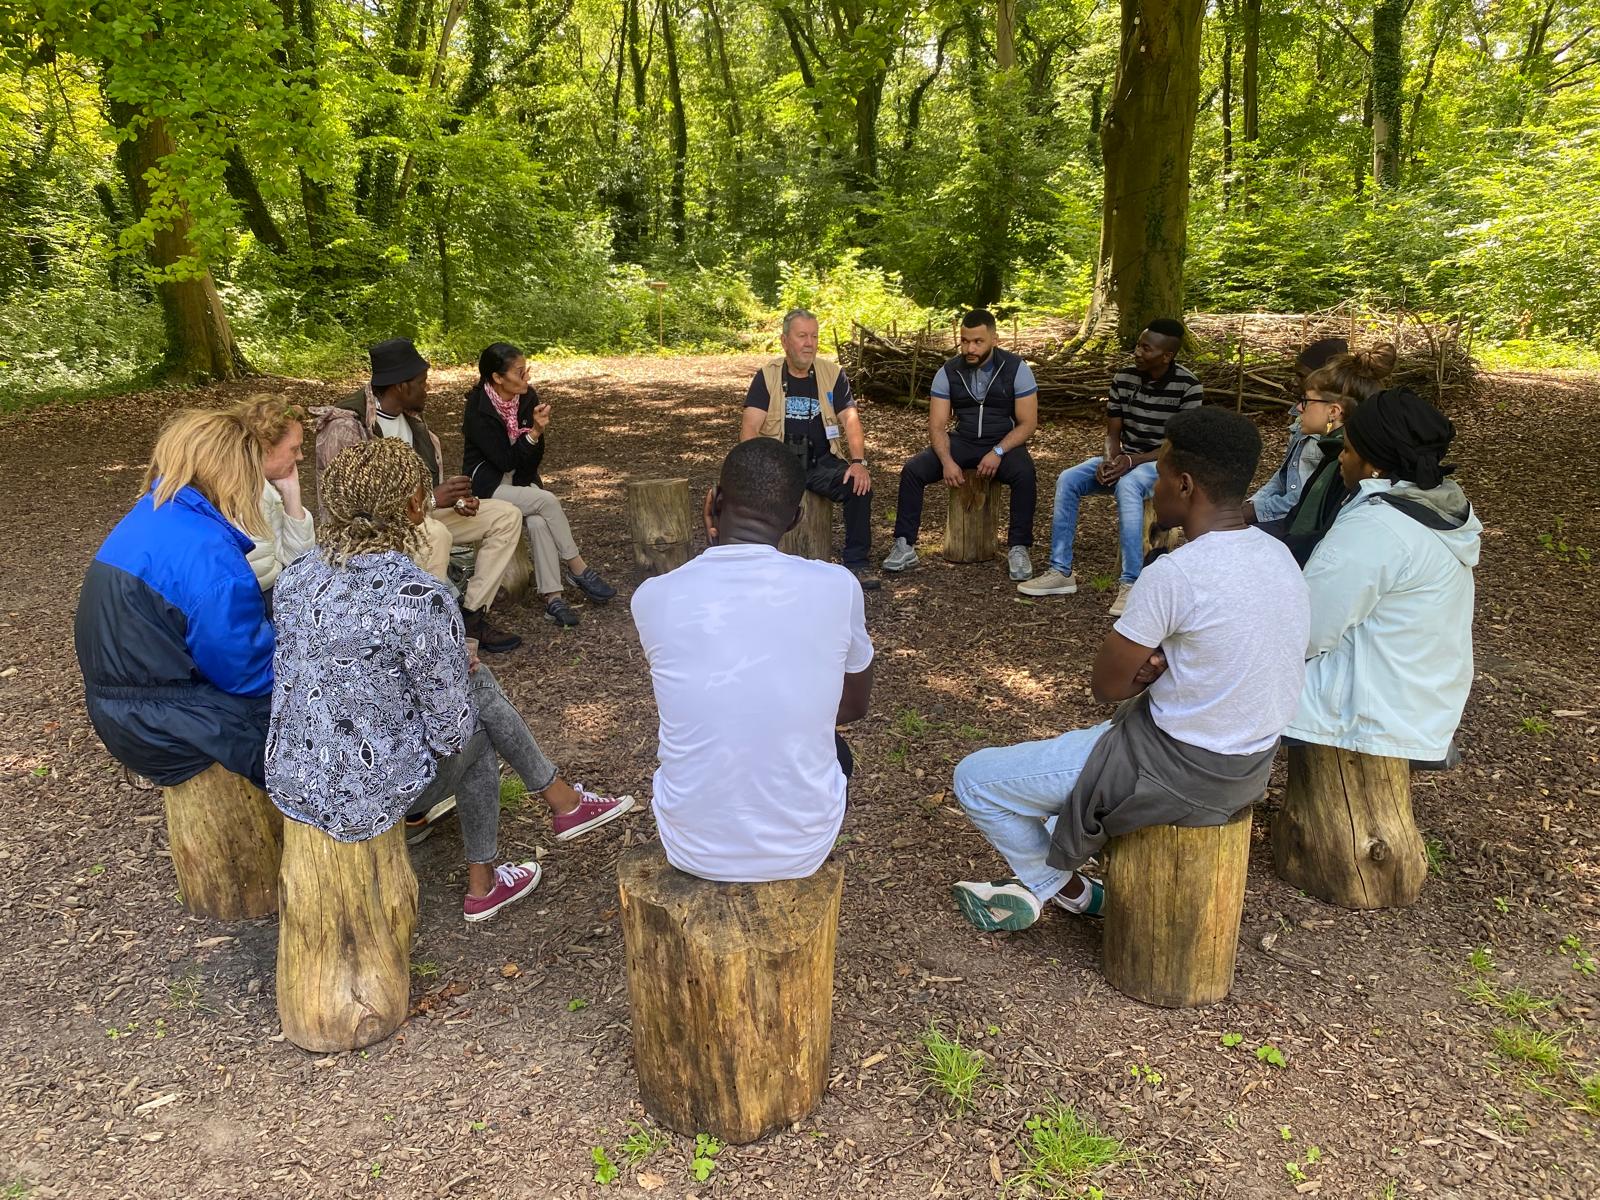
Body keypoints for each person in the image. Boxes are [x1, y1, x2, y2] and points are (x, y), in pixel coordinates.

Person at [950, 408, 1309, 931]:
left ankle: (1068, 891)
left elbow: (1107, 685)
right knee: (1068, 773)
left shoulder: (1175, 572)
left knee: (976, 779)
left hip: (1174, 768)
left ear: (1184, 485)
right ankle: (1047, 878)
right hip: (1249, 765)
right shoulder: (1279, 555)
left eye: (1158, 475)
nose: (1152, 487)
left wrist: (1145, 673)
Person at [267, 438, 635, 923]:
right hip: (367, 793)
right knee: (479, 718)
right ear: (416, 506)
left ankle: (545, 819)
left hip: (295, 774)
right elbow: (448, 730)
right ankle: (515, 849)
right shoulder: (418, 594)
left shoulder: (297, 577)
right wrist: (448, 669)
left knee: (473, 692)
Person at [632, 438, 874, 883]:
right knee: (833, 748)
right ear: (796, 518)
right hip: (803, 846)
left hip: (689, 842)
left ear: (713, 502)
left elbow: (705, 697)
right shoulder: (838, 587)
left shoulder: (654, 598)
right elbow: (854, 707)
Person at [75, 408, 276, 788]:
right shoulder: (209, 553)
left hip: (121, 713)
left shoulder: (148, 515)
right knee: (319, 727)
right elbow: (247, 675)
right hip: (170, 728)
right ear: (235, 472)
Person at [1286, 388, 1479, 764]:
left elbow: (1307, 628)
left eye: (1348, 450)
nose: (1340, 458)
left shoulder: (1377, 527)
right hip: (1422, 702)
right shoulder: (1434, 510)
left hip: (1369, 714)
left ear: (1374, 463)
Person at [314, 337, 524, 653]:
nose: (427, 389)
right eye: (422, 382)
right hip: (372, 531)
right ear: (401, 386)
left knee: (506, 515)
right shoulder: (348, 425)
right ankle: (426, 634)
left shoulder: (411, 418)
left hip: (420, 511)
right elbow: (354, 507)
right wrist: (431, 501)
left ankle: (469, 616)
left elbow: (423, 485)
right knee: (434, 534)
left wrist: (454, 499)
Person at [1019, 318, 1202, 615]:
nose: (1137, 352)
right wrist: (1109, 461)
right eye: (1138, 345)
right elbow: (1112, 433)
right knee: (1068, 479)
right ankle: (1060, 571)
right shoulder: (1124, 377)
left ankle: (1131, 583)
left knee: (1129, 485)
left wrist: (1131, 462)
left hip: (1163, 463)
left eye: (1146, 348)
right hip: (1126, 458)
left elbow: (1178, 444)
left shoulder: (1188, 386)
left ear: (1166, 355)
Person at [462, 343, 617, 627]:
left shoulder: (527, 397)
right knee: (546, 500)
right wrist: (533, 433)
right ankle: (577, 568)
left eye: (527, 370)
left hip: (519, 480)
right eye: (520, 372)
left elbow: (531, 460)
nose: (527, 377)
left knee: (538, 521)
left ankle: (553, 598)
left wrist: (537, 434)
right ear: (498, 377)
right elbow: (504, 460)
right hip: (488, 484)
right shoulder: (477, 410)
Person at [881, 309, 1040, 581]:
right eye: (965, 341)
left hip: (1001, 441)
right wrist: (946, 461)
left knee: (1025, 475)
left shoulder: (1016, 369)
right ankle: (905, 544)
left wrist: (998, 451)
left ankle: (1018, 547)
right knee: (913, 470)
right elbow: (937, 425)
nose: (970, 348)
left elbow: (1028, 423)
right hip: (963, 440)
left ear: (994, 339)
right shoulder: (949, 371)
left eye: (977, 341)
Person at [740, 308, 879, 590]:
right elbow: (749, 429)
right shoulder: (767, 377)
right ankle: (756, 566)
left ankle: (857, 564)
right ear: (784, 341)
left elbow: (850, 419)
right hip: (779, 464)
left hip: (821, 462)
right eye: (802, 336)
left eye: (814, 336)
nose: (809, 343)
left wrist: (858, 462)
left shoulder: (832, 374)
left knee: (859, 487)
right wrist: (759, 470)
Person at [1261, 345, 1396, 566]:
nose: (1298, 408)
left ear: (1333, 411)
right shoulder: (1332, 450)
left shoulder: (1346, 463)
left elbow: (1320, 537)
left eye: (1306, 401)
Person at [234, 396, 316, 591]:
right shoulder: (249, 495)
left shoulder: (263, 489)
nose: (301, 456)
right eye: (294, 449)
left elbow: (297, 560)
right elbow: (269, 576)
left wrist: (291, 492)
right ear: (266, 449)